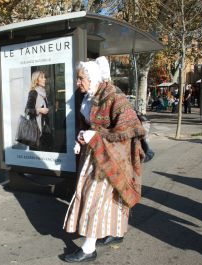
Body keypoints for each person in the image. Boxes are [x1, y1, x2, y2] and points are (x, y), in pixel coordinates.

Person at [62, 57, 146, 263]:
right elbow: (91, 125)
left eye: (81, 78)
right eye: (78, 78)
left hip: (113, 156)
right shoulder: (89, 96)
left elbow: (131, 128)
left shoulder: (113, 95)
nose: (78, 82)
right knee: (107, 198)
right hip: (94, 154)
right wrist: (82, 137)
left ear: (92, 77)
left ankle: (89, 248)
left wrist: (96, 136)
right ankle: (116, 232)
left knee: (94, 197)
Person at [25, 70, 52, 151]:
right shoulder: (33, 92)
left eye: (45, 77)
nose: (45, 79)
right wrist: (39, 110)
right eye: (42, 77)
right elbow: (27, 110)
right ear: (36, 80)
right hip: (36, 130)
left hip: (45, 128)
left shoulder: (43, 93)